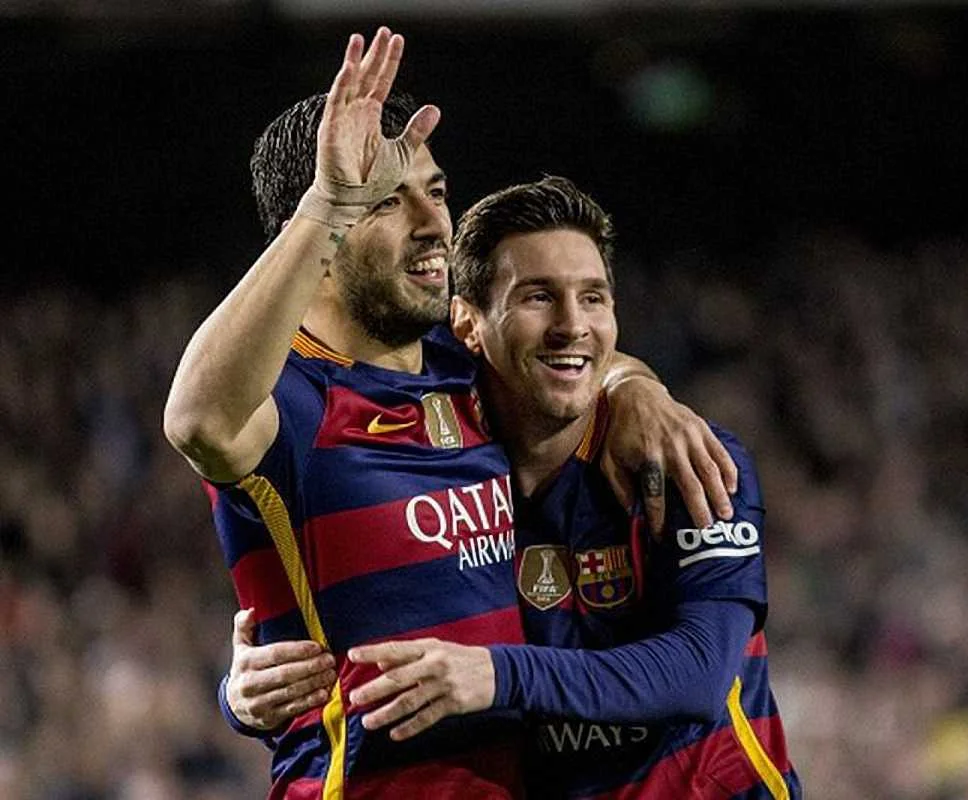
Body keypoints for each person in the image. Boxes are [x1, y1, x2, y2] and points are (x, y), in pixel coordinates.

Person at [163, 28, 737, 799]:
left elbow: (573, 355)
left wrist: (635, 387)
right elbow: (196, 421)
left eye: (434, 192)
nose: (435, 223)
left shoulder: (464, 366)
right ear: (316, 234)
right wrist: (330, 201)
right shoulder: (294, 401)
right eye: (385, 200)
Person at [228, 176, 801, 798]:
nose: (572, 326)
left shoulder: (687, 460)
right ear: (467, 325)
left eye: (593, 298)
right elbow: (367, 644)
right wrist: (243, 695)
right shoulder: (434, 481)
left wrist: (498, 675)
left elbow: (701, 673)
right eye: (538, 297)